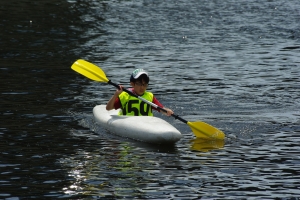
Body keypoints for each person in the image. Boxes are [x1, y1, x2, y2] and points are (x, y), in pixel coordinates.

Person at [106, 69, 174, 116]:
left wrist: (167, 111)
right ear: (132, 84)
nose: (142, 87)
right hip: (127, 124)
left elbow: (160, 108)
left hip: (145, 125)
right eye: (139, 84)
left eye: (144, 84)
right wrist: (116, 95)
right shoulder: (125, 95)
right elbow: (108, 108)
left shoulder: (149, 96)